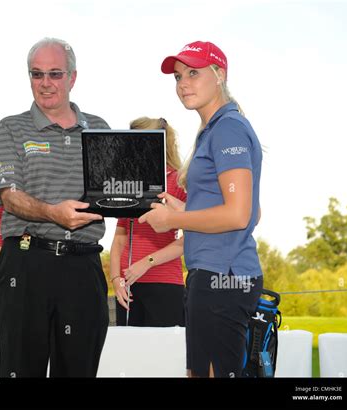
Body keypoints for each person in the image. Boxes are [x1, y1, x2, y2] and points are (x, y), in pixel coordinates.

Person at [0, 37, 110, 378]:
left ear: (72, 77)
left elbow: (114, 193)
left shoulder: (98, 128)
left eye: (55, 74)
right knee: (21, 370)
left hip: (84, 267)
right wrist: (53, 213)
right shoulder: (12, 127)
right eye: (36, 74)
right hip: (27, 264)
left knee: (79, 371)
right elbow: (9, 195)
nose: (45, 83)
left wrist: (143, 199)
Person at [140, 41, 263, 378]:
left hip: (222, 277)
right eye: (179, 76)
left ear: (219, 74)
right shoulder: (215, 130)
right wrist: (185, 207)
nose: (183, 83)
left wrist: (175, 219)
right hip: (212, 275)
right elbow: (251, 211)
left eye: (194, 73)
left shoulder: (227, 129)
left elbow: (239, 214)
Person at [110, 117, 186, 327]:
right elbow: (118, 239)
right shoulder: (129, 181)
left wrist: (147, 262)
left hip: (165, 284)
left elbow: (187, 241)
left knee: (164, 357)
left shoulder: (180, 181)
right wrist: (116, 279)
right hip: (129, 288)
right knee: (131, 357)